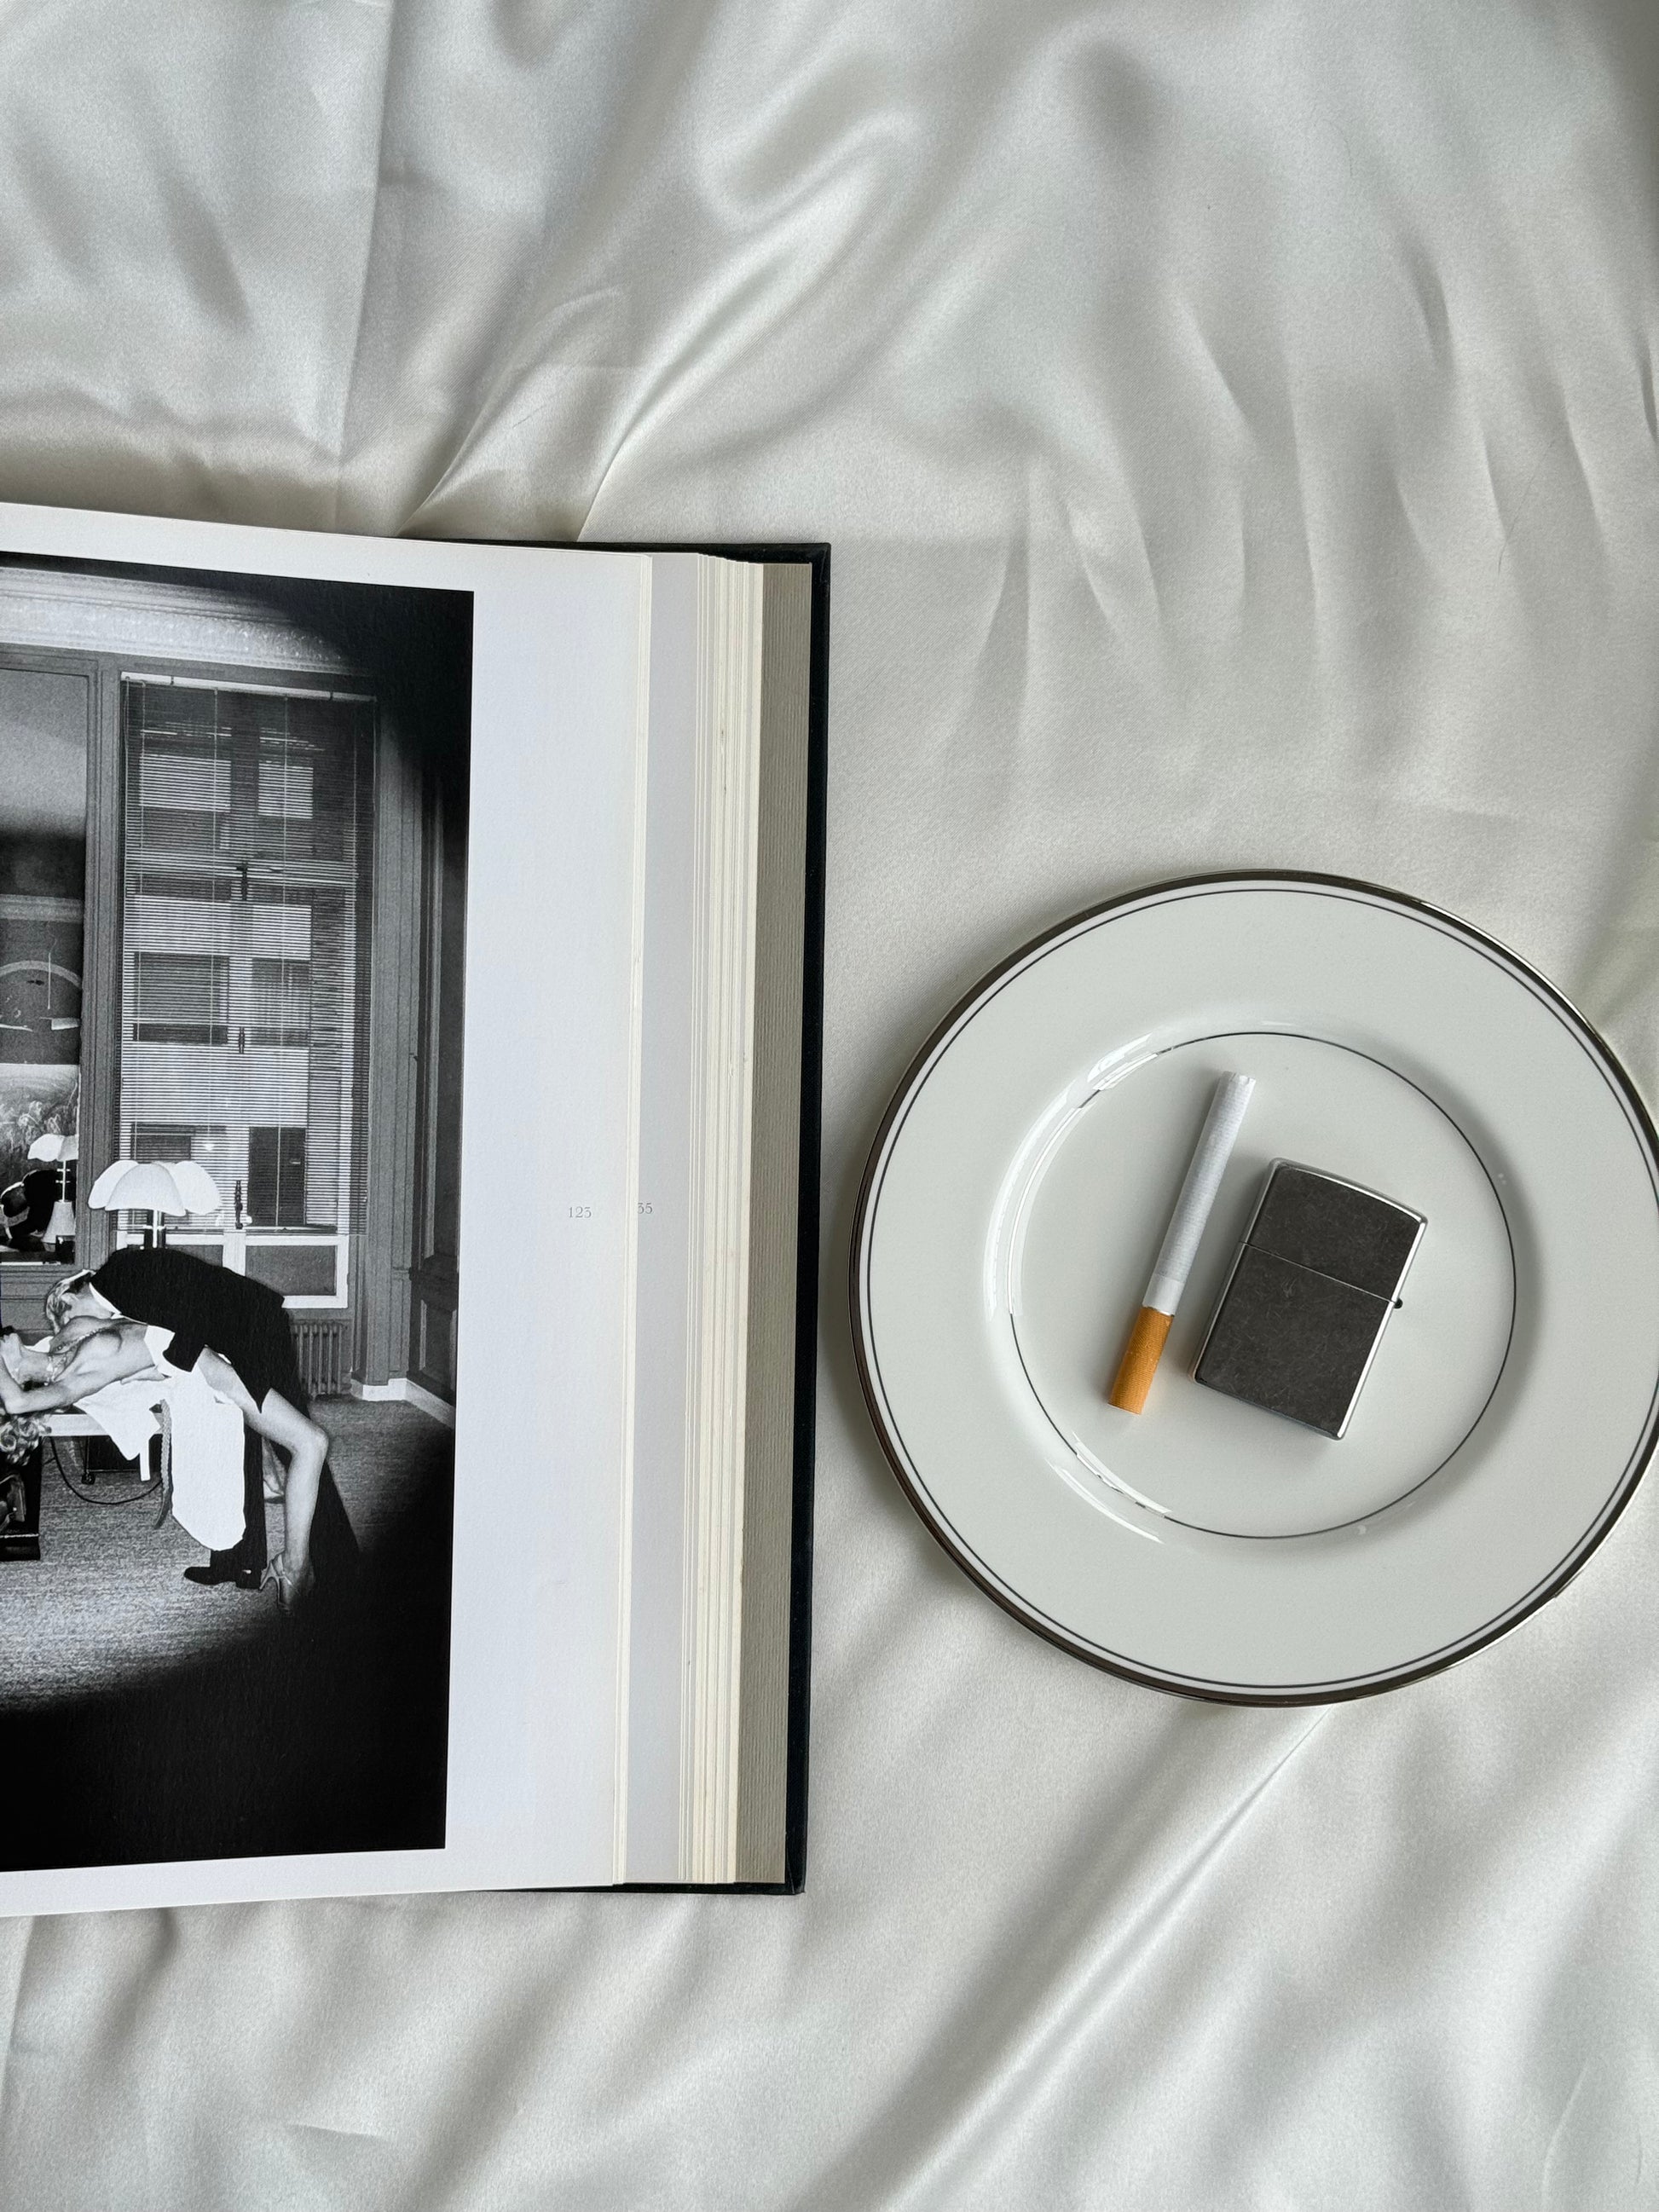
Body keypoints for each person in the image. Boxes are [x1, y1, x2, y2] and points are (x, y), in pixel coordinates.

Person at [47, 1250, 355, 1608]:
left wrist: (166, 1369)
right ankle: (238, 1565)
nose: (80, 1333)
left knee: (297, 1445)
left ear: (70, 1300)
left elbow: (190, 1312)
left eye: (68, 1322)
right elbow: (176, 1321)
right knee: (236, 1439)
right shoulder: (118, 1284)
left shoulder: (118, 1276)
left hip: (255, 1328)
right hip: (233, 1334)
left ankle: (338, 1570)